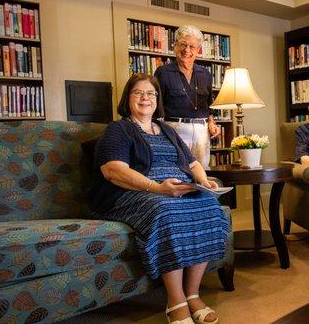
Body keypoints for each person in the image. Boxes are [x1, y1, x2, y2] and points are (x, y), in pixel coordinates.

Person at [89, 73, 225, 324]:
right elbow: (112, 170)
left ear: (157, 99)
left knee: (210, 205)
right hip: (136, 193)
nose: (145, 98)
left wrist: (204, 182)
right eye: (138, 93)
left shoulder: (167, 130)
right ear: (127, 98)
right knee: (167, 210)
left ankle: (193, 293)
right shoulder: (119, 129)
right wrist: (157, 188)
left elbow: (193, 162)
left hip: (176, 188)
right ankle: (176, 299)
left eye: (151, 93)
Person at [155, 25, 220, 167]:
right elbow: (156, 106)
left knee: (203, 172)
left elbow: (209, 104)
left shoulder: (205, 74)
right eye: (183, 45)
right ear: (175, 46)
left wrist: (211, 122)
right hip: (174, 129)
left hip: (201, 132)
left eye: (192, 46)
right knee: (178, 172)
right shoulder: (163, 73)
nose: (187, 50)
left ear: (198, 50)